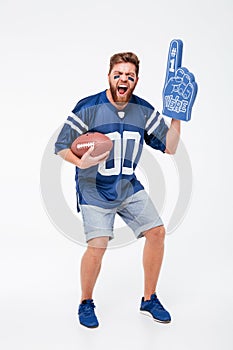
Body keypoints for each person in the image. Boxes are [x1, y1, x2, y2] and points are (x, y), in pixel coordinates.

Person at [55, 52, 181, 328]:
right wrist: (81, 161)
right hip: (93, 188)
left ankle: (149, 298)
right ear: (109, 76)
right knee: (97, 246)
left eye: (130, 75)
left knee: (157, 232)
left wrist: (177, 117)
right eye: (119, 74)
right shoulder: (89, 107)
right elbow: (61, 146)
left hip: (127, 185)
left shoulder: (143, 110)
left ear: (136, 80)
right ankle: (85, 302)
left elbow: (170, 146)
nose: (124, 79)